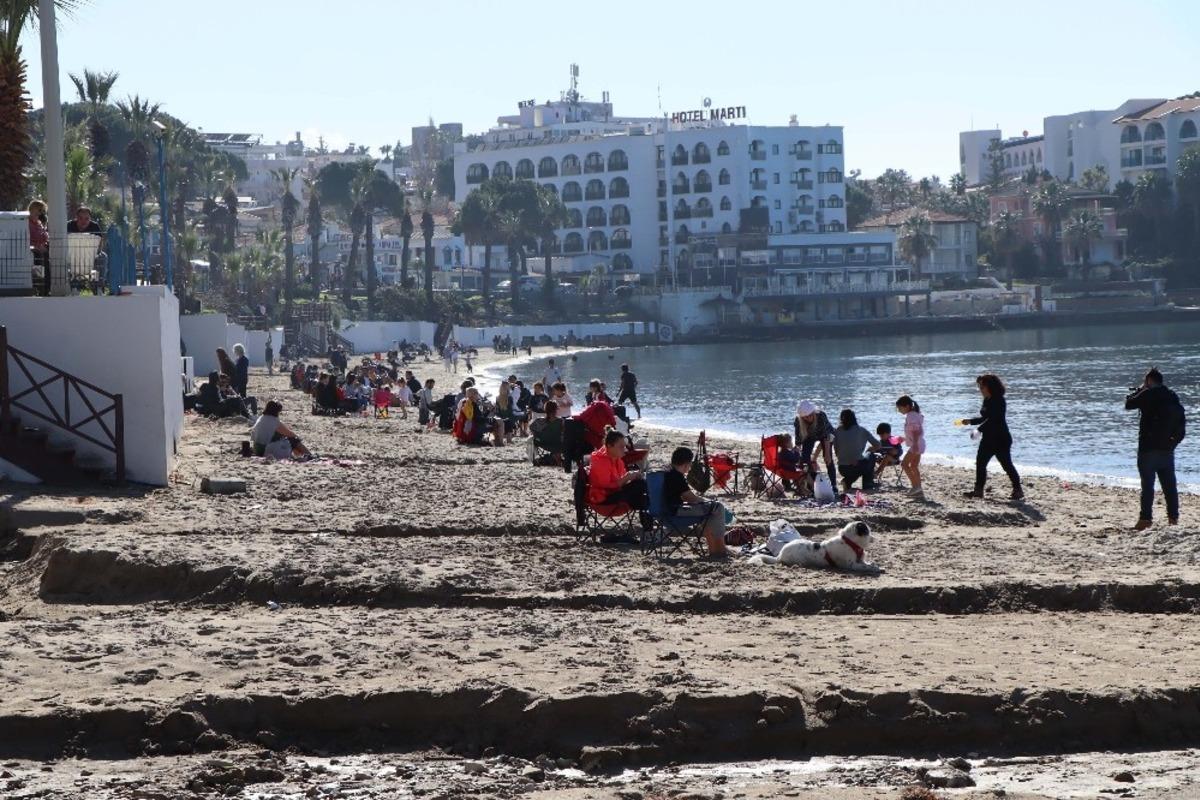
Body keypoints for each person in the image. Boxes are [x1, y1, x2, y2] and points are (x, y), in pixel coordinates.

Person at [1125, 368, 1185, 529]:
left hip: (1148, 449)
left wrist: (1141, 391)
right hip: (1167, 449)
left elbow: (1129, 403)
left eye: (1146, 382)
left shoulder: (1148, 394)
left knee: (1147, 486)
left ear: (1149, 381)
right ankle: (1173, 519)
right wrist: (1173, 443)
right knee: (1170, 487)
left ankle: (1145, 519)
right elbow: (1181, 423)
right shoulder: (1172, 396)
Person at [960, 373, 1024, 501]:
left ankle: (1018, 490)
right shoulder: (986, 400)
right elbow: (984, 418)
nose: (980, 390)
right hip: (988, 439)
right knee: (980, 463)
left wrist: (978, 429)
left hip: (1001, 439)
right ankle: (978, 491)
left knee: (1007, 465)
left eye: (982, 387)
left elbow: (994, 419)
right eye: (979, 387)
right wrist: (970, 421)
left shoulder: (999, 400)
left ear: (990, 387)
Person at [664, 446, 728, 557]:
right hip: (675, 511)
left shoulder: (667, 472)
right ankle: (720, 549)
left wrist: (705, 502)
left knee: (710, 510)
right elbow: (691, 498)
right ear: (686, 464)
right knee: (718, 508)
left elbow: (683, 496)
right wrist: (707, 501)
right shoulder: (677, 477)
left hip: (665, 510)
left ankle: (714, 550)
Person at [587, 429, 650, 539]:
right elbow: (607, 486)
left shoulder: (617, 459)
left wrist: (631, 477)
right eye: (621, 446)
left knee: (643, 492)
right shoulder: (601, 461)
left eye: (624, 446)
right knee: (641, 488)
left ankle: (648, 530)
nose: (625, 449)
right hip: (604, 499)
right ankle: (649, 530)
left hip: (615, 494)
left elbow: (621, 481)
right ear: (609, 446)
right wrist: (628, 478)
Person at [833, 409, 880, 492]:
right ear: (854, 418)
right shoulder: (861, 430)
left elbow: (836, 451)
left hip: (842, 468)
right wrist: (869, 449)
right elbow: (878, 445)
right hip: (857, 466)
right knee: (870, 456)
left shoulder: (837, 431)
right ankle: (867, 483)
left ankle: (847, 482)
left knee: (857, 466)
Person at [794, 400, 836, 490]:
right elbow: (798, 441)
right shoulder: (798, 421)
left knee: (828, 458)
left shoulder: (821, 415)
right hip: (809, 436)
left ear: (813, 412)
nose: (808, 418)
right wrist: (799, 455)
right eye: (806, 417)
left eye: (810, 415)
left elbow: (826, 437)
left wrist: (827, 454)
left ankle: (834, 485)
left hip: (827, 435)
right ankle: (811, 482)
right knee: (804, 458)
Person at [896, 395, 925, 500]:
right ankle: (919, 490)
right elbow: (915, 432)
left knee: (904, 464)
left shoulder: (911, 416)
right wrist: (904, 439)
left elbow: (916, 431)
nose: (899, 410)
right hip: (920, 443)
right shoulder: (915, 414)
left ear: (907, 406)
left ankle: (915, 487)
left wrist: (915, 444)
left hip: (916, 444)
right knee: (913, 466)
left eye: (900, 408)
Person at [27, 200, 50, 296]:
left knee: (48, 259)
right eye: (39, 209)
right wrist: (38, 246)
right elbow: (27, 239)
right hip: (32, 250)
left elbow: (45, 237)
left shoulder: (39, 223)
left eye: (42, 210)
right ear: (32, 209)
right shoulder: (27, 223)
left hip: (42, 249)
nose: (40, 212)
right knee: (40, 257)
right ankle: (39, 287)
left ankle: (46, 287)